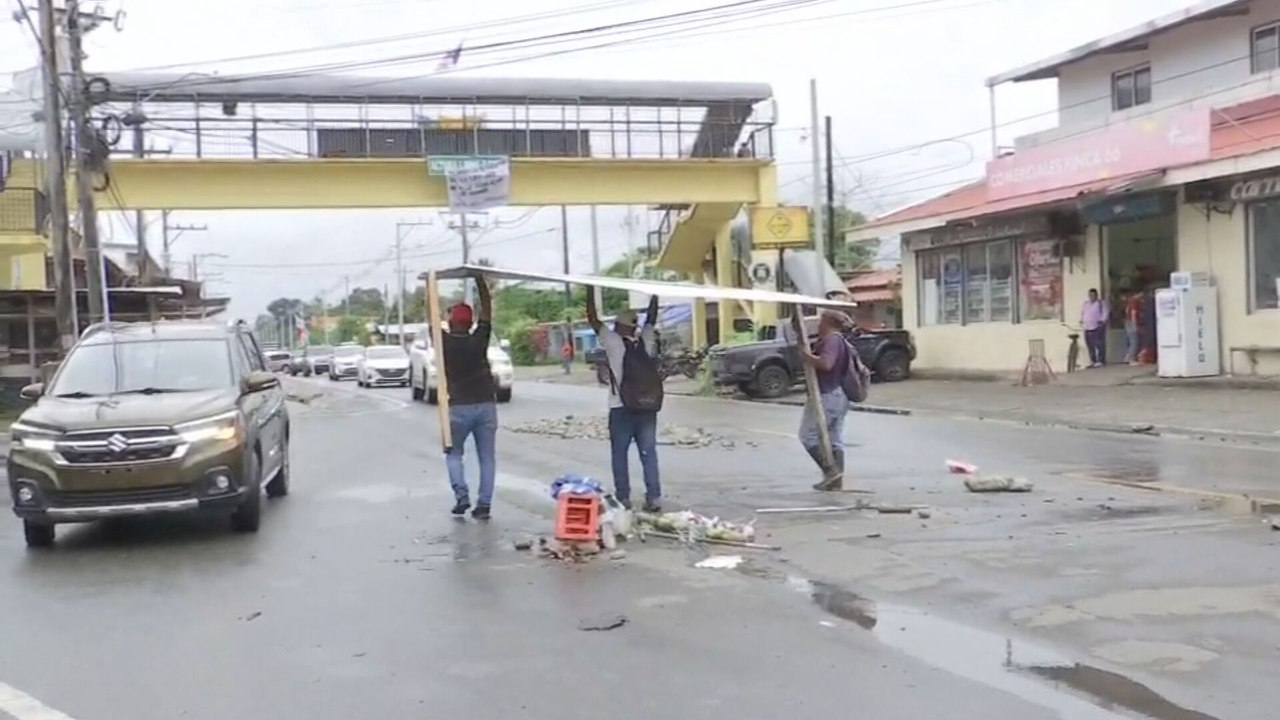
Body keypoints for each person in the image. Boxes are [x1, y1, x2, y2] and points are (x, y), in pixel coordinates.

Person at [587, 289, 662, 512]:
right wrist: (654, 295)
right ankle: (654, 497)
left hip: (620, 408)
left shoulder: (613, 343)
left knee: (619, 454)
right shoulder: (646, 341)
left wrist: (589, 289)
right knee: (648, 453)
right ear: (634, 326)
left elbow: (593, 319)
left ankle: (623, 498)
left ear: (619, 325)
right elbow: (651, 319)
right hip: (647, 406)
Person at [441, 275, 497, 520]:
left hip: (458, 406)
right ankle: (484, 505)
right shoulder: (479, 339)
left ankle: (461, 495)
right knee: (487, 457)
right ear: (471, 322)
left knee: (454, 453)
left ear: (451, 322)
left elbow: (429, 316)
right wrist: (480, 282)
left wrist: (430, 286)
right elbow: (487, 310)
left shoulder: (443, 341)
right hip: (485, 403)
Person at [798, 310, 852, 492]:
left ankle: (831, 472)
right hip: (839, 394)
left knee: (808, 435)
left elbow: (826, 364)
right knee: (834, 437)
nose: (819, 325)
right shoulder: (839, 339)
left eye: (821, 321)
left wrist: (807, 358)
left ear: (828, 322)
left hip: (827, 394)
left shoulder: (832, 339)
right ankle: (836, 479)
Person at [1080, 288, 1109, 368]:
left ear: (1096, 295)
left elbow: (1105, 312)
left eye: (1092, 295)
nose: (1091, 297)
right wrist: (1082, 320)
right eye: (1090, 295)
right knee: (1090, 345)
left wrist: (1102, 321)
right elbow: (1083, 313)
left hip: (1097, 327)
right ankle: (1093, 360)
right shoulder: (1086, 304)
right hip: (1087, 328)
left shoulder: (1100, 303)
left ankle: (1101, 360)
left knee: (1099, 344)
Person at [1123, 291, 1143, 365]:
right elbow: (1133, 313)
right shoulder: (1135, 301)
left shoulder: (1129, 301)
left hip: (1127, 321)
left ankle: (1127, 357)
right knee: (1134, 341)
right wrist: (1134, 325)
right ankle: (1132, 359)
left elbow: (1126, 311)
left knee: (1130, 341)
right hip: (1131, 322)